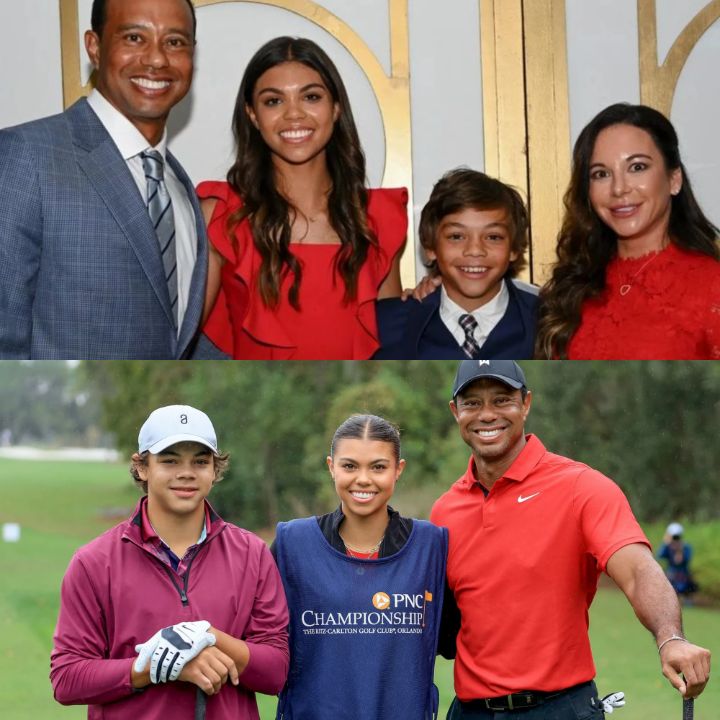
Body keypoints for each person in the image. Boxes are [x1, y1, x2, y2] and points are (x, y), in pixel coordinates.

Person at [431, 360, 711, 719]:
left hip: (560, 708)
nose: (487, 414)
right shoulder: (444, 511)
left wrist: (670, 637)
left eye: (502, 400)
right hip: (469, 712)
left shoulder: (582, 488)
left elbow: (638, 570)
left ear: (526, 404)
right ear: (456, 412)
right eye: (472, 403)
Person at [50, 405, 289, 719]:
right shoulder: (93, 562)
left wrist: (208, 635)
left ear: (215, 471)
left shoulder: (252, 554)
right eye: (169, 460)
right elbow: (67, 679)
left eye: (200, 461)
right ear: (142, 467)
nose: (186, 472)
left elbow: (275, 672)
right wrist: (156, 666)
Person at [0, 0, 208, 359]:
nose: (157, 59)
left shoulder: (180, 187)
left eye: (175, 42)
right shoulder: (27, 156)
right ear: (94, 47)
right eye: (134, 37)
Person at [196, 37, 407, 360]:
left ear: (336, 108)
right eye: (273, 101)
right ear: (252, 115)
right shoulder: (221, 214)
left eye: (310, 97)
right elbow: (179, 341)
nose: (294, 114)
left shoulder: (378, 218)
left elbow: (389, 346)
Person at [272, 414, 447, 719]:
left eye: (378, 467)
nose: (363, 479)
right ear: (331, 467)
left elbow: (457, 637)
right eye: (349, 466)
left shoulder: (430, 547)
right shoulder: (293, 545)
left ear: (398, 470)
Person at [536, 103, 720, 359]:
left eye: (637, 167)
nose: (619, 188)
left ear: (674, 179)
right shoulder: (573, 282)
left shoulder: (712, 286)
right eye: (601, 174)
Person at [374, 168, 538, 359]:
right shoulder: (386, 324)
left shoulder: (549, 321)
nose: (475, 250)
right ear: (431, 247)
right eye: (456, 236)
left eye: (493, 237)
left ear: (514, 249)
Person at [658, 522, 698, 602]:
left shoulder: (686, 547)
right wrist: (665, 543)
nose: (675, 538)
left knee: (684, 593)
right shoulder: (668, 546)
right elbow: (660, 555)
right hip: (671, 574)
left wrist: (680, 550)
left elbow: (681, 560)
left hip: (683, 575)